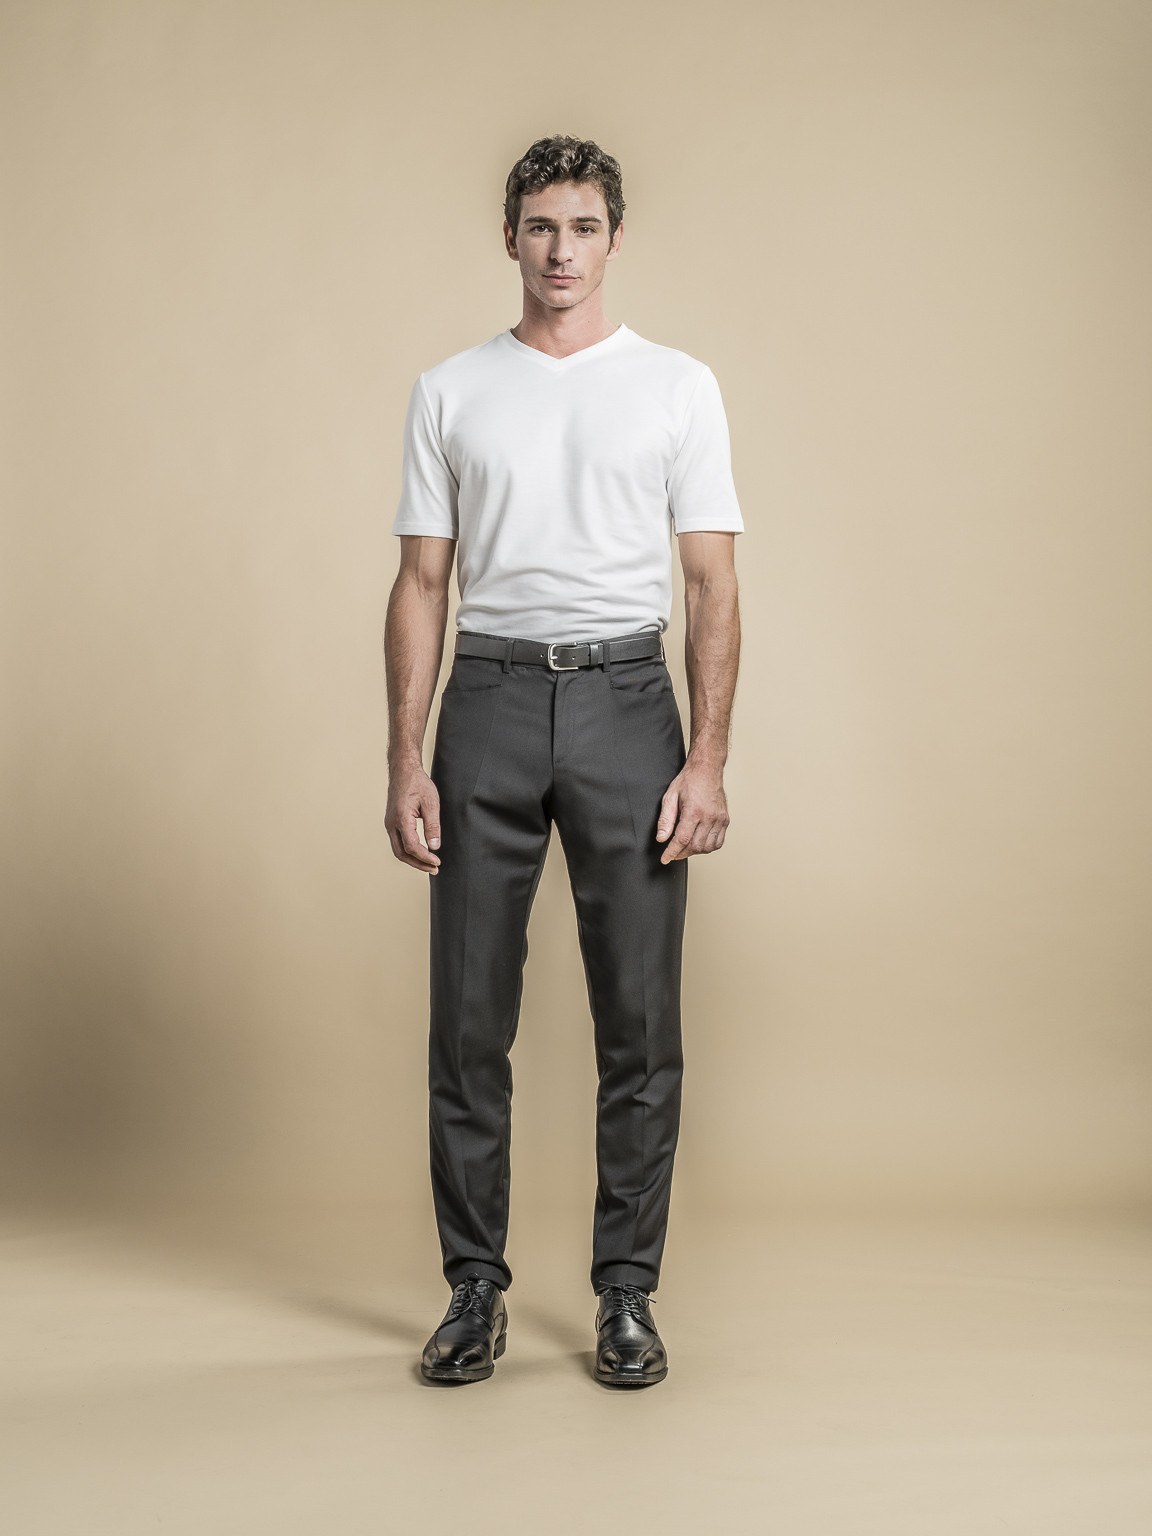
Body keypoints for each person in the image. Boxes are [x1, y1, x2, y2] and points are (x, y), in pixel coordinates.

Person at [384, 135, 743, 1388]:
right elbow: (421, 582)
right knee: (467, 1022)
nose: (561, 250)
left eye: (584, 227)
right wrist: (405, 759)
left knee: (638, 1022)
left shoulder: (677, 386)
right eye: (540, 226)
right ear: (510, 239)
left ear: (614, 240)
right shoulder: (451, 389)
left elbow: (712, 583)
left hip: (626, 703)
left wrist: (707, 758)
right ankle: (474, 1288)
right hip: (484, 700)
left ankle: (626, 1293)